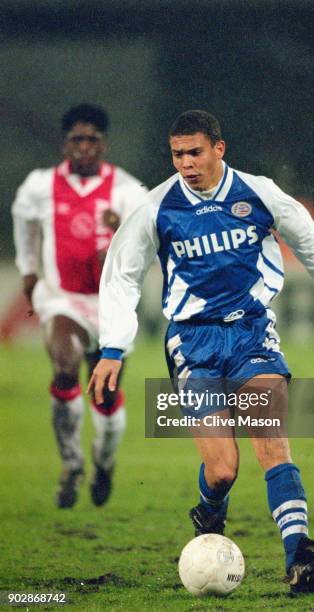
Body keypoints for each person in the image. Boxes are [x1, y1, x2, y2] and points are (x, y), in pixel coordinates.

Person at [88, 110, 314, 592]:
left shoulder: (256, 192)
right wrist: (113, 347)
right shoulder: (158, 207)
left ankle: (299, 554)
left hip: (251, 335)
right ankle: (210, 514)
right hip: (193, 345)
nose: (186, 163)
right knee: (222, 469)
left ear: (219, 149)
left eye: (195, 152)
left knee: (271, 438)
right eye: (178, 154)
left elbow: (305, 235)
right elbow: (121, 275)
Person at [12, 103, 148, 509]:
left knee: (105, 399)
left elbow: (148, 247)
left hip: (110, 306)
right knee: (66, 365)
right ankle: (72, 465)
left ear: (104, 145)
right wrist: (28, 270)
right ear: (65, 143)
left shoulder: (128, 191)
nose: (84, 147)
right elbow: (23, 223)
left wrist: (120, 236)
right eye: (76, 139)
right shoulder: (39, 185)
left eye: (92, 140)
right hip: (64, 300)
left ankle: (103, 462)